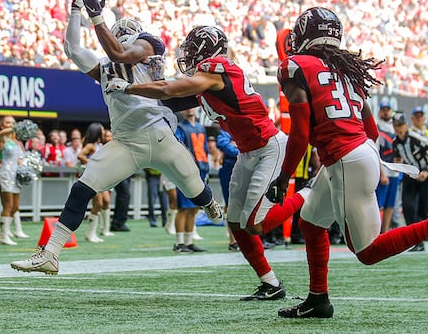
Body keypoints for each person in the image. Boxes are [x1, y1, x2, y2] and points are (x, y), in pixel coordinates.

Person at [266, 7, 428, 319]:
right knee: (311, 223)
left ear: (304, 34)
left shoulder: (295, 67)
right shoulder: (346, 71)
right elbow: (371, 130)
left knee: (368, 251)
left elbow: (300, 134)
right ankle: (319, 298)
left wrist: (283, 177)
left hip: (344, 159)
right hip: (358, 154)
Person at [11, 0, 222, 274]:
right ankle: (50, 253)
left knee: (194, 188)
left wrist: (95, 16)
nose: (122, 33)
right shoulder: (107, 68)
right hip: (126, 142)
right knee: (83, 187)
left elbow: (120, 53)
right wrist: (75, 10)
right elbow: (72, 48)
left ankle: (211, 204)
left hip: (159, 135)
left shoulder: (147, 45)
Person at [113, 25, 305, 301]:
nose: (188, 55)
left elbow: (168, 89)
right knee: (236, 223)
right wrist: (130, 86)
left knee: (255, 222)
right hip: (248, 152)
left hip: (269, 147)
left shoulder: (218, 70)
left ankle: (307, 194)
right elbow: (169, 99)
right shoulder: (209, 81)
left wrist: (130, 87)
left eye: (192, 49)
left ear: (206, 50)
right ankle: (271, 284)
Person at [393, 111, 428, 251]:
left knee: (423, 210)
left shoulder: (415, 137)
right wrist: (397, 167)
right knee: (407, 208)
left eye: (401, 125)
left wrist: (427, 169)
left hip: (426, 175)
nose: (399, 128)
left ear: (406, 125)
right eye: (396, 125)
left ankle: (424, 237)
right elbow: (398, 160)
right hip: (410, 176)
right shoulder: (396, 143)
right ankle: (415, 242)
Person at [171, 108, 208, 253]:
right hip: (186, 170)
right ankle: (179, 242)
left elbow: (204, 149)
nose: (189, 109)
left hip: (202, 168)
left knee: (194, 208)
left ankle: (189, 240)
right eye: (186, 107)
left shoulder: (200, 127)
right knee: (183, 208)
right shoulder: (180, 127)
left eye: (191, 106)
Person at [0, 115, 26, 246]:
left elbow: (19, 160)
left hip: (15, 176)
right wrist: (17, 127)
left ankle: (4, 232)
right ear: (2, 125)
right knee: (7, 206)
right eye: (8, 123)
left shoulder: (16, 142)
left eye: (13, 123)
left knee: (15, 207)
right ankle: (3, 235)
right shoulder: (2, 139)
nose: (11, 125)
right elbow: (1, 133)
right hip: (5, 175)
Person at [77, 122, 111, 242]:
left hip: (99, 177)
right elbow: (80, 155)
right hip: (92, 177)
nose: (103, 132)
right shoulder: (91, 145)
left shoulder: (99, 145)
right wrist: (92, 165)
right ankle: (90, 233)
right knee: (98, 204)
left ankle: (97, 231)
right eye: (101, 130)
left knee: (102, 202)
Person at [375, 101, 400, 234]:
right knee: (379, 203)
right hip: (383, 169)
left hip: (394, 172)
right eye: (383, 109)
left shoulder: (396, 129)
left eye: (388, 109)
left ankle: (384, 231)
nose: (386, 112)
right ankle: (376, 230)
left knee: (390, 204)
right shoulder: (377, 128)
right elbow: (376, 152)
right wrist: (381, 174)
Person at [216, 129, 239, 251]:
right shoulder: (227, 128)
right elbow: (222, 143)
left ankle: (249, 238)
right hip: (230, 167)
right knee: (231, 204)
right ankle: (233, 240)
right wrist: (241, 151)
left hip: (246, 165)